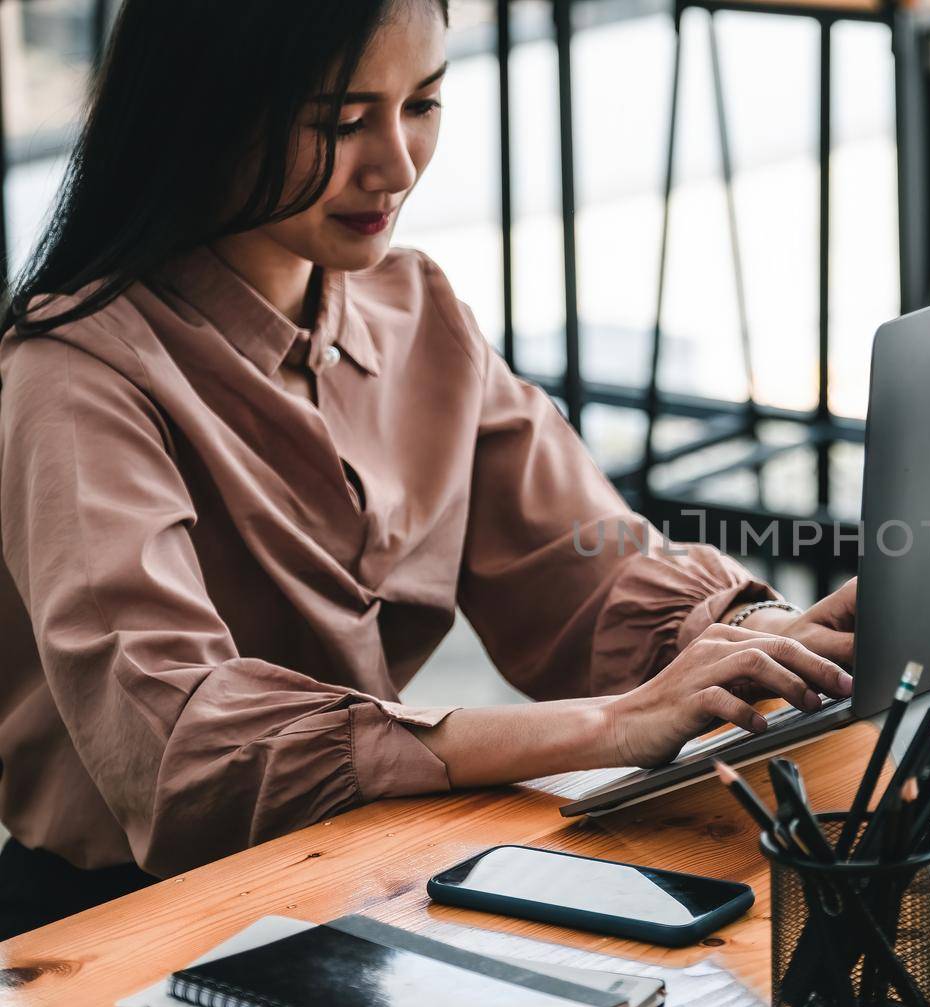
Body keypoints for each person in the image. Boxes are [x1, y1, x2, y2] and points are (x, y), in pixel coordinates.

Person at [0, 0, 856, 939]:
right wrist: (609, 725)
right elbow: (183, 746)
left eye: (424, 103)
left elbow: (588, 573)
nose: (398, 165)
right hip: (122, 926)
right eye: (338, 122)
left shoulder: (415, 310)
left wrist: (761, 635)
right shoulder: (75, 376)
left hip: (364, 870)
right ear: (204, 110)